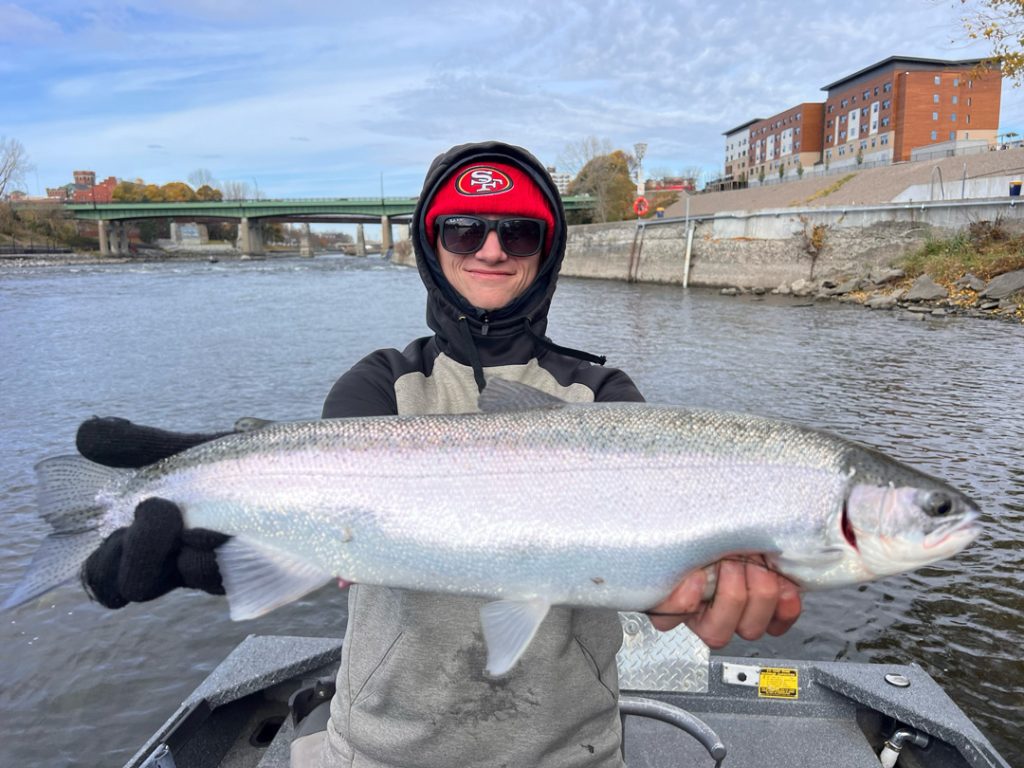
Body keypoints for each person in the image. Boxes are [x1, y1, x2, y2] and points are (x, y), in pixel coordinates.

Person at [77, 141, 801, 767]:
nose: (490, 249)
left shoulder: (603, 394)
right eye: (464, 230)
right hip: (384, 746)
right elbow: (327, 521)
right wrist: (231, 516)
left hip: (572, 751)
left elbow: (652, 557)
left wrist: (707, 573)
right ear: (432, 246)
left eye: (517, 234)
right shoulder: (378, 384)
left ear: (545, 252)